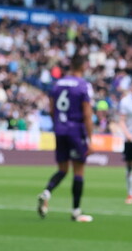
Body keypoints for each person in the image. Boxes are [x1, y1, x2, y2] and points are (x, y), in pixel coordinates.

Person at [37, 54, 95, 222]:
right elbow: (87, 114)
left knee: (62, 169)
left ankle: (47, 192)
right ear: (83, 66)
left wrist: (58, 125)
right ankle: (76, 212)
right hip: (75, 131)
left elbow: (51, 110)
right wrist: (90, 139)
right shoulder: (83, 85)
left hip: (60, 130)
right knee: (78, 171)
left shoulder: (58, 84)